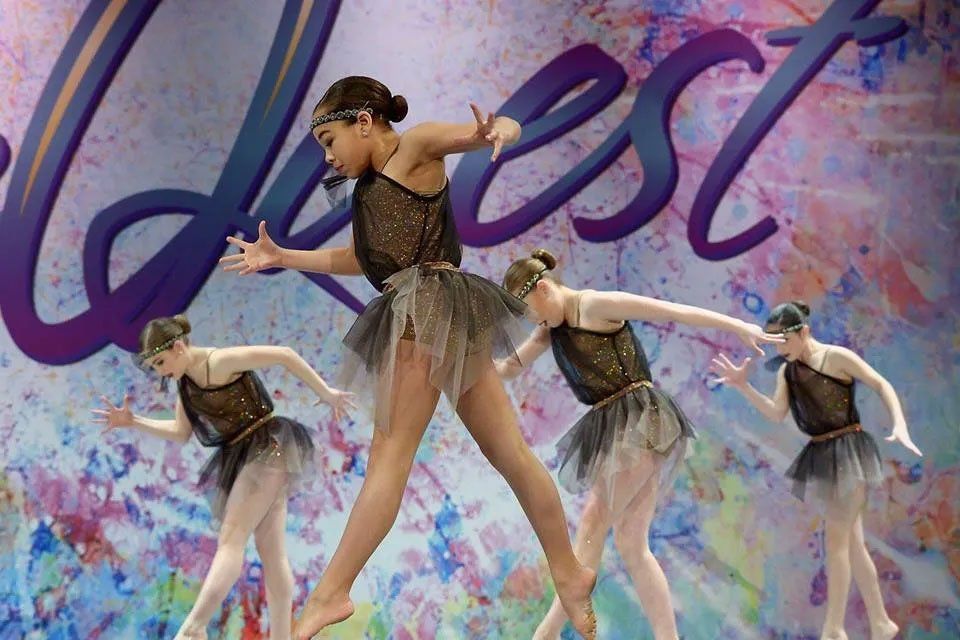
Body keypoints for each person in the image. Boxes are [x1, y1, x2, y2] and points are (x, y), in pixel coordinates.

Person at [219, 76, 598, 639]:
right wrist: (284, 256)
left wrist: (499, 130)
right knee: (508, 453)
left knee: (390, 457)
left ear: (364, 123)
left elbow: (486, 132)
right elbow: (359, 258)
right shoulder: (368, 189)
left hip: (426, 307)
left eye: (329, 141)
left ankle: (331, 593)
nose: (328, 157)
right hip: (440, 311)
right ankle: (568, 570)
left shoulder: (415, 145)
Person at [499, 249, 782, 639]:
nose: (534, 322)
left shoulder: (595, 305)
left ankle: (545, 635)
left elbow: (671, 311)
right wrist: (460, 365)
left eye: (532, 312)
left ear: (544, 289)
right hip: (615, 427)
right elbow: (508, 368)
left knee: (593, 521)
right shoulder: (551, 328)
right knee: (631, 543)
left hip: (641, 421)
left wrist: (737, 325)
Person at [92, 314, 353, 639]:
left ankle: (195, 627)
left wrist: (326, 392)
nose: (159, 372)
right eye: (154, 366)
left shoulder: (219, 361)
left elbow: (284, 354)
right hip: (245, 455)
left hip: (269, 446)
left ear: (178, 347)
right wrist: (134, 422)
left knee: (232, 538)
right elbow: (180, 432)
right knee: (271, 552)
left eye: (160, 362)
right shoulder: (185, 384)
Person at [711, 301, 921, 640]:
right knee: (853, 544)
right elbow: (776, 413)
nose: (780, 349)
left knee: (836, 540)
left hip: (850, 451)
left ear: (804, 332)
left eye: (784, 341)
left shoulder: (835, 357)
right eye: (774, 343)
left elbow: (880, 383)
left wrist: (900, 424)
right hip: (823, 455)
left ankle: (833, 629)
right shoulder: (787, 372)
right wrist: (744, 386)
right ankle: (881, 622)